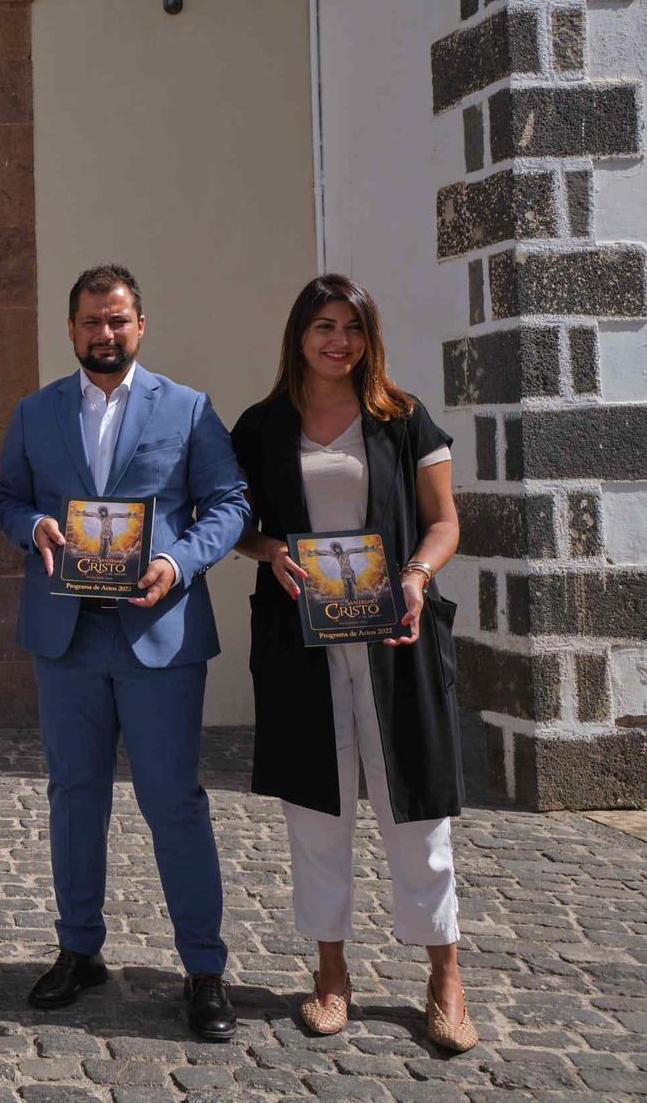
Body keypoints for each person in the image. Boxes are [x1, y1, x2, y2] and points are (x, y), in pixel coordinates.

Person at [0, 264, 250, 1041]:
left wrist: (179, 561)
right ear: (70, 329)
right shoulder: (36, 412)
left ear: (141, 324)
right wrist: (33, 527)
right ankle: (79, 949)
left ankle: (204, 968)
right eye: (91, 322)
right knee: (74, 796)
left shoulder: (190, 408)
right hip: (68, 637)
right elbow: (7, 498)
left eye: (118, 320)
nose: (105, 333)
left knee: (173, 801)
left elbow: (230, 503)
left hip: (157, 633)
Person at [229, 274, 473, 1052]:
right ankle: (330, 972)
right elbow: (241, 527)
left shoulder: (402, 421)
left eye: (353, 328)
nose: (339, 341)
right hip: (303, 644)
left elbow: (443, 522)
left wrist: (415, 576)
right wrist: (269, 552)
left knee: (418, 812)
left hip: (394, 638)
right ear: (298, 333)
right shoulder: (262, 426)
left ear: (369, 338)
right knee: (316, 812)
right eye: (324, 326)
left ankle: (445, 975)